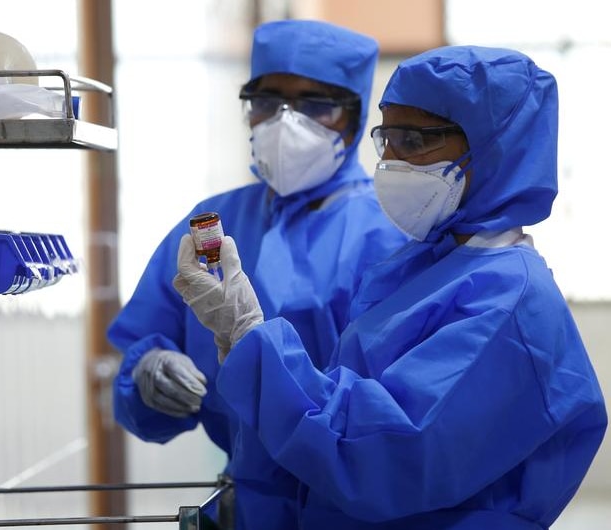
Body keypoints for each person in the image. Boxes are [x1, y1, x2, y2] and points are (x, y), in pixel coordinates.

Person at [174, 45, 608, 528]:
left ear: (494, 150)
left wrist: (249, 335)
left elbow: (378, 453)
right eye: (388, 140)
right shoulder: (424, 266)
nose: (392, 162)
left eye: (415, 142)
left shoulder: (508, 304)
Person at [107, 19, 407, 529]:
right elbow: (143, 353)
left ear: (355, 119)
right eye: (266, 102)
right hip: (246, 505)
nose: (285, 123)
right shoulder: (211, 225)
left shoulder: (398, 232)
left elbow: (407, 414)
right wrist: (149, 373)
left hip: (360, 510)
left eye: (315, 106)